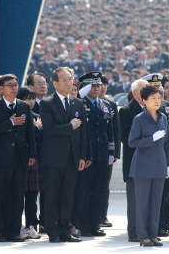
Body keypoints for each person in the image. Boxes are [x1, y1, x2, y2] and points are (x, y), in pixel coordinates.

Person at [40, 67, 88, 243]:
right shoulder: (47, 103)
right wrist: (70, 126)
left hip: (72, 158)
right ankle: (52, 230)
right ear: (55, 83)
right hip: (53, 158)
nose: (69, 83)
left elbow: (83, 133)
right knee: (52, 195)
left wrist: (82, 156)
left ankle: (65, 230)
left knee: (68, 195)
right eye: (65, 80)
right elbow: (50, 129)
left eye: (71, 79)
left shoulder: (77, 103)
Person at [0, 74, 36, 242]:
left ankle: (15, 230)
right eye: (10, 85)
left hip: (21, 157)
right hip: (2, 158)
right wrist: (10, 122)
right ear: (1, 88)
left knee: (17, 195)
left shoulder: (24, 106)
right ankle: (0, 231)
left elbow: (30, 132)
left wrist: (32, 155)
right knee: (1, 194)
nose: (14, 88)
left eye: (15, 85)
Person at [128, 85, 169, 247]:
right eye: (153, 98)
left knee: (156, 203)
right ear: (144, 100)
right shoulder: (139, 119)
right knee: (143, 204)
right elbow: (132, 142)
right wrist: (151, 139)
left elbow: (168, 144)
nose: (157, 101)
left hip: (160, 165)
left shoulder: (163, 118)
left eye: (158, 98)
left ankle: (153, 234)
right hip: (142, 167)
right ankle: (143, 236)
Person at [77, 72, 115, 237]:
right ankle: (83, 225)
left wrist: (111, 152)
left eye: (99, 85)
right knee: (84, 192)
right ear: (85, 87)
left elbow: (109, 131)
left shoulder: (105, 104)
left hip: (102, 155)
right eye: (93, 86)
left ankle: (95, 224)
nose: (97, 88)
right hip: (87, 157)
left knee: (99, 192)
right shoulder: (79, 104)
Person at [119, 79, 148, 242]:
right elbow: (127, 138)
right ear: (135, 93)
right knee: (135, 200)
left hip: (153, 161)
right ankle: (135, 231)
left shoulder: (154, 109)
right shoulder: (126, 111)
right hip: (135, 162)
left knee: (151, 199)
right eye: (145, 89)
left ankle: (150, 230)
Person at [16, 87, 43, 239]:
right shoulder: (18, 116)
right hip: (20, 160)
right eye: (27, 98)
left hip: (35, 160)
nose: (31, 102)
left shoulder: (38, 116)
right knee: (18, 195)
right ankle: (18, 226)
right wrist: (36, 128)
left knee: (32, 196)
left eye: (32, 98)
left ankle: (31, 225)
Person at [99, 76, 121, 229]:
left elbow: (116, 131)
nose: (102, 88)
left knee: (105, 185)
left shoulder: (111, 104)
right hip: (94, 152)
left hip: (108, 151)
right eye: (99, 85)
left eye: (105, 85)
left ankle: (103, 215)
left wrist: (116, 153)